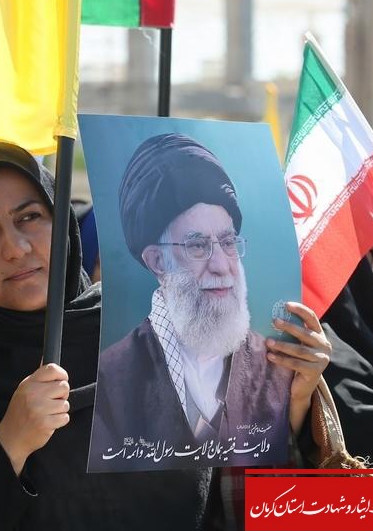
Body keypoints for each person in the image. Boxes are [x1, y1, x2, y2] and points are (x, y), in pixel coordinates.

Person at [0, 141, 334, 531]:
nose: (16, 247)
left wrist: (295, 406)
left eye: (30, 217)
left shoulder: (169, 342)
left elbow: (263, 505)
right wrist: (9, 445)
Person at [89, 133, 299, 470]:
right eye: (198, 246)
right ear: (157, 261)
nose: (221, 265)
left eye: (228, 242)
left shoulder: (277, 363)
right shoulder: (109, 377)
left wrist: (306, 398)